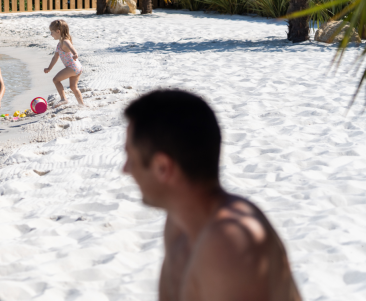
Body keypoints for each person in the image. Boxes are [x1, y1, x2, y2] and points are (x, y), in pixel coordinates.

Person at [122, 90, 302, 301]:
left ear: (163, 168)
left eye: (130, 157)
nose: (125, 169)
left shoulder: (229, 241)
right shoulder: (178, 221)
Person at [44, 19, 85, 107]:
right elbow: (55, 57)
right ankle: (82, 105)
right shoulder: (59, 44)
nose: (51, 34)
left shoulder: (65, 41)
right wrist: (49, 68)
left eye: (52, 32)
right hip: (77, 67)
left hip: (72, 67)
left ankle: (63, 99)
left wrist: (75, 53)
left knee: (56, 80)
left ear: (58, 31)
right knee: (73, 87)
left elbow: (71, 46)